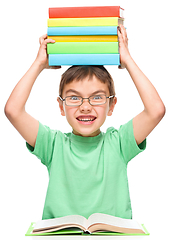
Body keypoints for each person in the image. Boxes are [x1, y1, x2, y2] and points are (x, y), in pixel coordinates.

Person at [4, 25, 165, 220]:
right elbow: (13, 111)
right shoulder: (53, 144)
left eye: (97, 98)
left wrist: (127, 60)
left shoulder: (120, 143)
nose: (85, 107)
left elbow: (156, 111)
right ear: (61, 107)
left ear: (111, 105)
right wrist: (39, 64)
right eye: (74, 98)